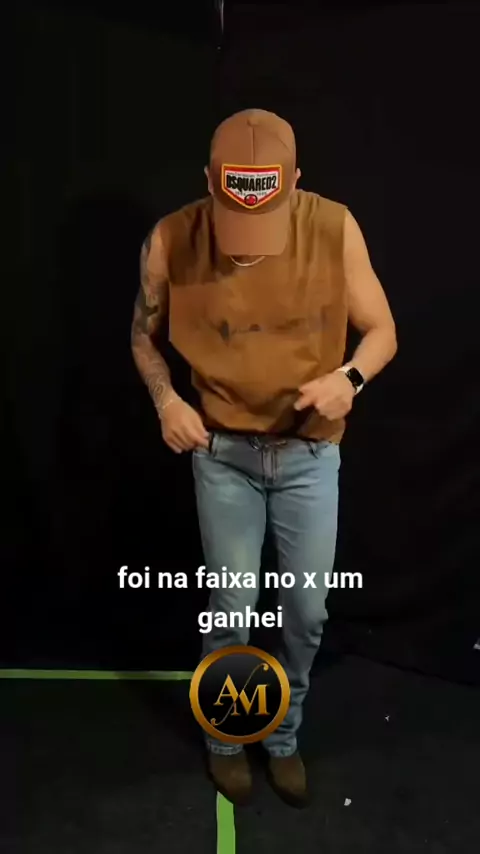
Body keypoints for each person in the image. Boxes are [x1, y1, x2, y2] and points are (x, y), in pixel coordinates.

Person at [131, 109, 397, 808]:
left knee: (306, 611)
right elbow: (142, 337)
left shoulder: (334, 228)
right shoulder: (171, 239)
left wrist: (349, 379)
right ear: (210, 183)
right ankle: (226, 738)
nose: (247, 249)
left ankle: (282, 734)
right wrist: (166, 401)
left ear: (296, 182)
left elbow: (382, 331)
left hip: (310, 454)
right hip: (223, 455)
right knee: (233, 606)